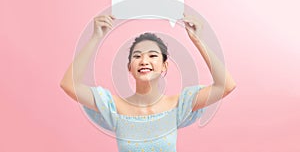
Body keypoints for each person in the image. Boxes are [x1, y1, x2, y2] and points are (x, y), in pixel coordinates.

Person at [60, 14, 236, 152]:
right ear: (130, 67)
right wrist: (95, 37)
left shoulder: (179, 105)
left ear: (164, 65)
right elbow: (69, 84)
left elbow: (225, 86)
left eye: (152, 55)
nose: (144, 60)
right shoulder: (114, 107)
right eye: (137, 56)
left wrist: (198, 40)